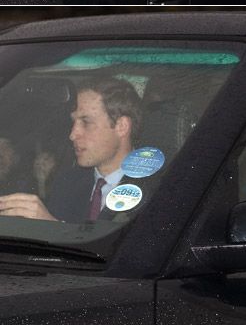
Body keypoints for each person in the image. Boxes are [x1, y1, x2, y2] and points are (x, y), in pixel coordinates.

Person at [0, 77, 143, 222]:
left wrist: (51, 229)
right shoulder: (67, 183)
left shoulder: (154, 190)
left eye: (86, 122)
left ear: (122, 127)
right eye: (73, 122)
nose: (72, 135)